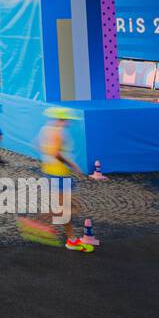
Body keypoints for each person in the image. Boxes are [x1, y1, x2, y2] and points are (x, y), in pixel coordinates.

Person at [20, 107, 92, 252]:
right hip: (59, 173)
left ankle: (69, 238)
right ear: (61, 119)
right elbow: (55, 153)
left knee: (67, 208)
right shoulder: (59, 132)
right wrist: (72, 165)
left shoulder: (45, 129)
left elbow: (37, 146)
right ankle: (67, 238)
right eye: (66, 120)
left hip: (50, 171)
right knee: (66, 209)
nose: (68, 123)